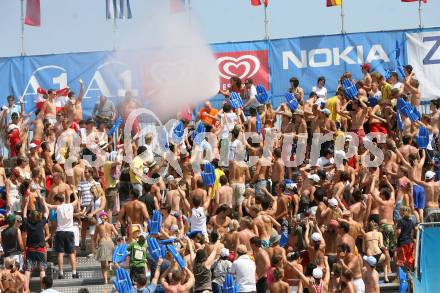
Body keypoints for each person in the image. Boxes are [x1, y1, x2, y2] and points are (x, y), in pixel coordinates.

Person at [45, 193, 79, 279]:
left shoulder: (58, 207)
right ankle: (74, 273)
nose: (54, 202)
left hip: (60, 232)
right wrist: (74, 192)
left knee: (60, 253)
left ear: (57, 201)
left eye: (55, 201)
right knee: (71, 253)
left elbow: (47, 205)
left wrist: (41, 198)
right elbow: (76, 200)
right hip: (69, 232)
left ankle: (61, 273)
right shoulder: (70, 205)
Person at [23, 194, 50, 292]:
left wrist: (26, 204)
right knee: (42, 270)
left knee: (27, 270)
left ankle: (26, 289)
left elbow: (24, 215)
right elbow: (47, 212)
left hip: (30, 250)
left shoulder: (28, 224)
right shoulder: (41, 223)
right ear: (39, 216)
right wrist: (43, 202)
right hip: (40, 250)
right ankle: (43, 290)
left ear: (31, 217)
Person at [94, 211, 118, 284]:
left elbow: (94, 237)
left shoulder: (98, 226)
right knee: (111, 261)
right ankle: (110, 275)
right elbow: (117, 234)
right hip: (110, 242)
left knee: (103, 264)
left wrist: (96, 245)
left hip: (102, 242)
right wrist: (116, 241)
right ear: (107, 217)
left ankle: (105, 280)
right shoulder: (111, 225)